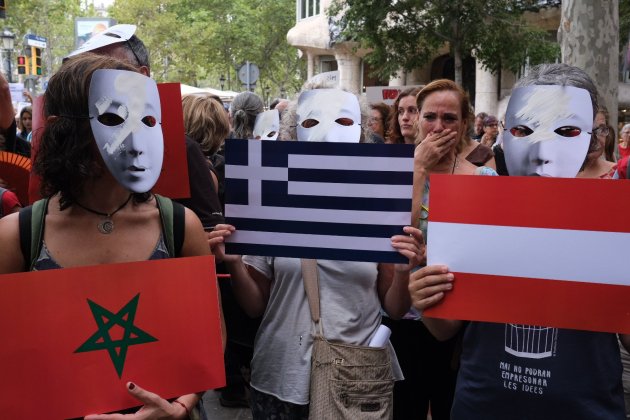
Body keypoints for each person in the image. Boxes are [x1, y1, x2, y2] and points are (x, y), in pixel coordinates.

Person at [0, 53, 224, 419]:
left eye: (147, 119)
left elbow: (209, 336)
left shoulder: (179, 226)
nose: (135, 137)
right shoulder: (17, 237)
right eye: (113, 119)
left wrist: (179, 405)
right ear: (62, 128)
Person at [409, 63, 628, 419]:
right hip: (484, 403)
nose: (543, 151)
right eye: (525, 130)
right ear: (504, 137)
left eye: (566, 130)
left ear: (592, 137)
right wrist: (425, 297)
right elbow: (446, 328)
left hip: (585, 408)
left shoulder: (614, 219)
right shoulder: (476, 206)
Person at [212, 86, 423, 419]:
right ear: (292, 132)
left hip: (353, 376)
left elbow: (395, 308)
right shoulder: (269, 195)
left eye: (342, 120)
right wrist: (236, 264)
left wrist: (403, 269)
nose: (327, 133)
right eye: (312, 123)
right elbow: (254, 305)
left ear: (362, 132)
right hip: (280, 376)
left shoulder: (379, 201)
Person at [388, 79, 496, 420]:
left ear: (464, 124)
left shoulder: (484, 179)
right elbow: (395, 237)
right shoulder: (392, 173)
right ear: (417, 119)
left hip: (460, 319)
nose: (438, 126)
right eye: (430, 116)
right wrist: (418, 170)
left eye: (449, 118)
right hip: (404, 315)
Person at [577, 109, 616, 179]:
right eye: (587, 130)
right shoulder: (555, 173)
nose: (596, 138)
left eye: (602, 129)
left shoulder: (618, 173)